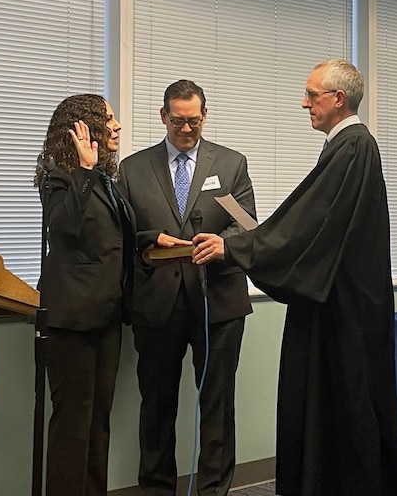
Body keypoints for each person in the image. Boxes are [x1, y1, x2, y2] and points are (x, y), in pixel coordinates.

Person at [192, 59, 397, 496]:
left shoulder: (352, 146)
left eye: (312, 95)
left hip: (345, 307)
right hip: (338, 300)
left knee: (347, 407)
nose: (304, 103)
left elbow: (308, 223)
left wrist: (235, 247)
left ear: (338, 99)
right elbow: (308, 221)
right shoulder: (346, 146)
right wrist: (254, 244)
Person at [117, 79, 256, 496]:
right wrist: (149, 239)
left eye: (194, 121)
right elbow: (123, 234)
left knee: (216, 405)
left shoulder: (231, 164)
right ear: (163, 116)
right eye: (178, 121)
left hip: (219, 301)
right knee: (156, 407)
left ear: (205, 116)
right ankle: (157, 488)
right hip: (157, 303)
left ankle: (213, 489)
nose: (186, 129)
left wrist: (223, 243)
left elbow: (247, 226)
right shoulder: (133, 168)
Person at [35, 94, 135, 496]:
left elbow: (117, 240)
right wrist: (85, 170)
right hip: (70, 323)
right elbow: (63, 229)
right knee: (72, 427)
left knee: (98, 425)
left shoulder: (108, 183)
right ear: (86, 127)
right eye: (109, 119)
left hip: (107, 318)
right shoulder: (59, 177)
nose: (117, 126)